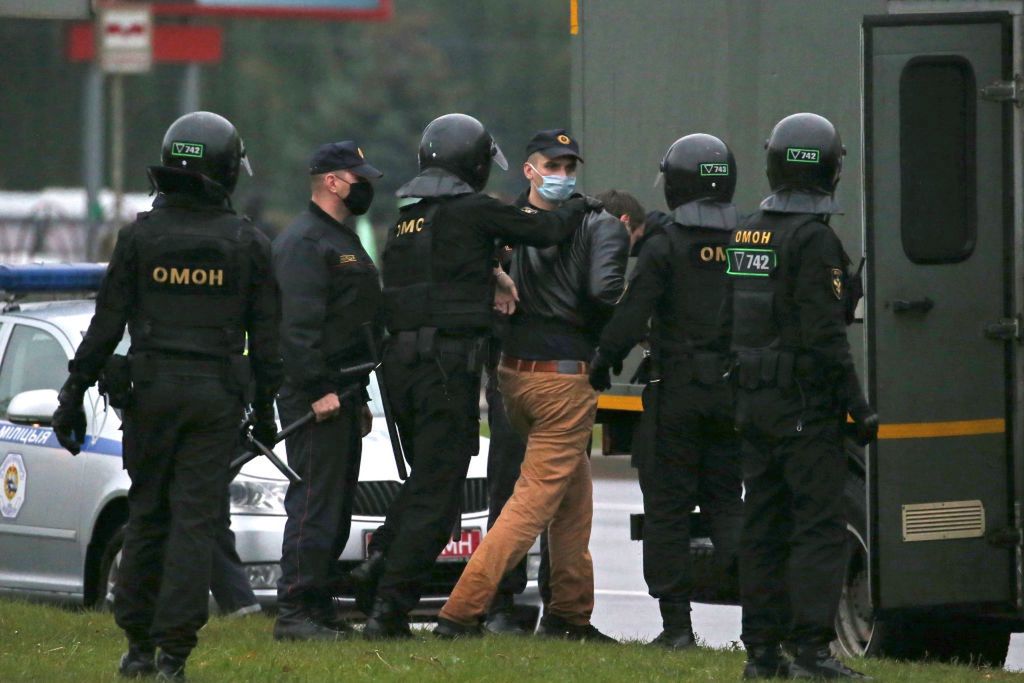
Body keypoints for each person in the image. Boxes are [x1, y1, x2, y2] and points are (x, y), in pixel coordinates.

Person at [51, 111, 281, 680]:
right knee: (194, 523)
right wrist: (267, 409)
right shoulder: (248, 243)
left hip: (149, 394)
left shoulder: (139, 237)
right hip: (214, 400)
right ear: (228, 171)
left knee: (149, 513)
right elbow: (269, 345)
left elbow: (105, 326)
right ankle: (174, 654)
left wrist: (73, 392)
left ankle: (137, 646)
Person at [353, 114, 593, 639]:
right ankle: (387, 611)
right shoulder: (475, 211)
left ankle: (375, 574)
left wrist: (490, 273)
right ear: (477, 164)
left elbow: (434, 277)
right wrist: (579, 204)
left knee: (425, 483)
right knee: (439, 501)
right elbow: (547, 229)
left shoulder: (409, 221)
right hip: (446, 369)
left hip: (401, 369)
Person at [435, 128, 627, 641]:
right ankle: (460, 610)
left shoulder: (502, 225)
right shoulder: (597, 223)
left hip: (511, 376)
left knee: (572, 501)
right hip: (562, 380)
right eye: (554, 166)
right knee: (530, 504)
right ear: (529, 168)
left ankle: (569, 616)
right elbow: (604, 290)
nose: (563, 176)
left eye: (570, 168)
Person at [720, 113, 877, 679]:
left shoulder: (748, 229)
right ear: (831, 169)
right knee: (818, 527)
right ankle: (811, 650)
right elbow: (826, 337)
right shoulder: (815, 240)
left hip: (754, 402)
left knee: (762, 525)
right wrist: (857, 407)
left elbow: (730, 318)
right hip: (804, 407)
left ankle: (761, 653)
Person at [589, 135, 744, 650]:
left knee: (668, 511)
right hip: (733, 389)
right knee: (728, 504)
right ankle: (758, 624)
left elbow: (632, 314)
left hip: (675, 391)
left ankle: (677, 627)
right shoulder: (749, 240)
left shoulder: (664, 245)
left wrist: (602, 361)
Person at [271, 141, 383, 641]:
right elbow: (296, 329)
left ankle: (317, 606)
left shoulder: (342, 237)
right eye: (359, 178)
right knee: (314, 502)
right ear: (334, 182)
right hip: (315, 395)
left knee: (335, 508)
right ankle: (294, 612)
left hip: (344, 391)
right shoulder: (304, 242)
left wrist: (355, 397)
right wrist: (317, 389)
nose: (367, 187)